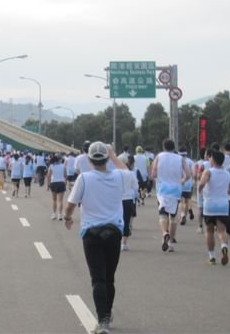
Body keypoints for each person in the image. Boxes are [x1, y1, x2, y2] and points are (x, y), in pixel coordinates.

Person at [64, 142, 136, 334]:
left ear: (89, 159)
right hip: (114, 233)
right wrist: (113, 154)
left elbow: (71, 204)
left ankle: (103, 320)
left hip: (91, 234)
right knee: (109, 278)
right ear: (107, 159)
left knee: (98, 279)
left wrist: (68, 217)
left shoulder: (84, 178)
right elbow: (126, 169)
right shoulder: (120, 177)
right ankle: (107, 313)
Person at [150, 139, 190, 252]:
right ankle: (171, 242)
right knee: (173, 217)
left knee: (162, 215)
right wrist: (182, 180)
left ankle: (164, 233)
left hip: (162, 190)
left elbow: (153, 174)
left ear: (163, 147)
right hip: (176, 191)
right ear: (173, 148)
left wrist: (157, 177)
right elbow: (188, 174)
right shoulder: (180, 158)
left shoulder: (159, 156)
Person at [198, 149, 230, 265]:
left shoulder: (208, 172)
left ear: (212, 160)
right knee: (221, 230)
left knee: (209, 231)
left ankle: (212, 257)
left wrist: (200, 190)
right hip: (223, 205)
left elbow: (202, 183)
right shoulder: (227, 173)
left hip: (210, 205)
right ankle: (224, 246)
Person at [121, 154, 139, 251]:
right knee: (126, 221)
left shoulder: (114, 173)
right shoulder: (130, 174)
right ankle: (124, 243)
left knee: (116, 221)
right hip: (128, 199)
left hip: (116, 200)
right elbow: (135, 187)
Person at [178, 147, 195, 225]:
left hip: (179, 183)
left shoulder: (177, 161)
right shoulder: (191, 162)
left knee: (181, 201)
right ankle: (185, 214)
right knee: (186, 201)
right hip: (188, 184)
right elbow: (193, 173)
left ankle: (182, 215)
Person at [47, 154, 67, 220]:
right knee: (60, 200)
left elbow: (49, 176)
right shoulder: (63, 166)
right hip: (61, 183)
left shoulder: (51, 166)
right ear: (60, 159)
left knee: (54, 200)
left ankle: (53, 214)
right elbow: (65, 175)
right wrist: (65, 182)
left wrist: (48, 184)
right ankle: (60, 215)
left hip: (53, 183)